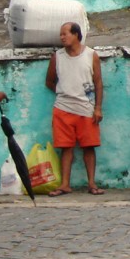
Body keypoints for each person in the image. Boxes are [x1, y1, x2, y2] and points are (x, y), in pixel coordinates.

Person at [44, 21, 103, 196]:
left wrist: (98, 107)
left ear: (76, 34)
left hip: (86, 108)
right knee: (65, 148)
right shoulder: (58, 57)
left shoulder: (91, 55)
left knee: (89, 147)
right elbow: (49, 81)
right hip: (62, 108)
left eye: (65, 34)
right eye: (61, 34)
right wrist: (65, 92)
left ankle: (92, 183)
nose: (62, 37)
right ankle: (64, 184)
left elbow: (98, 82)